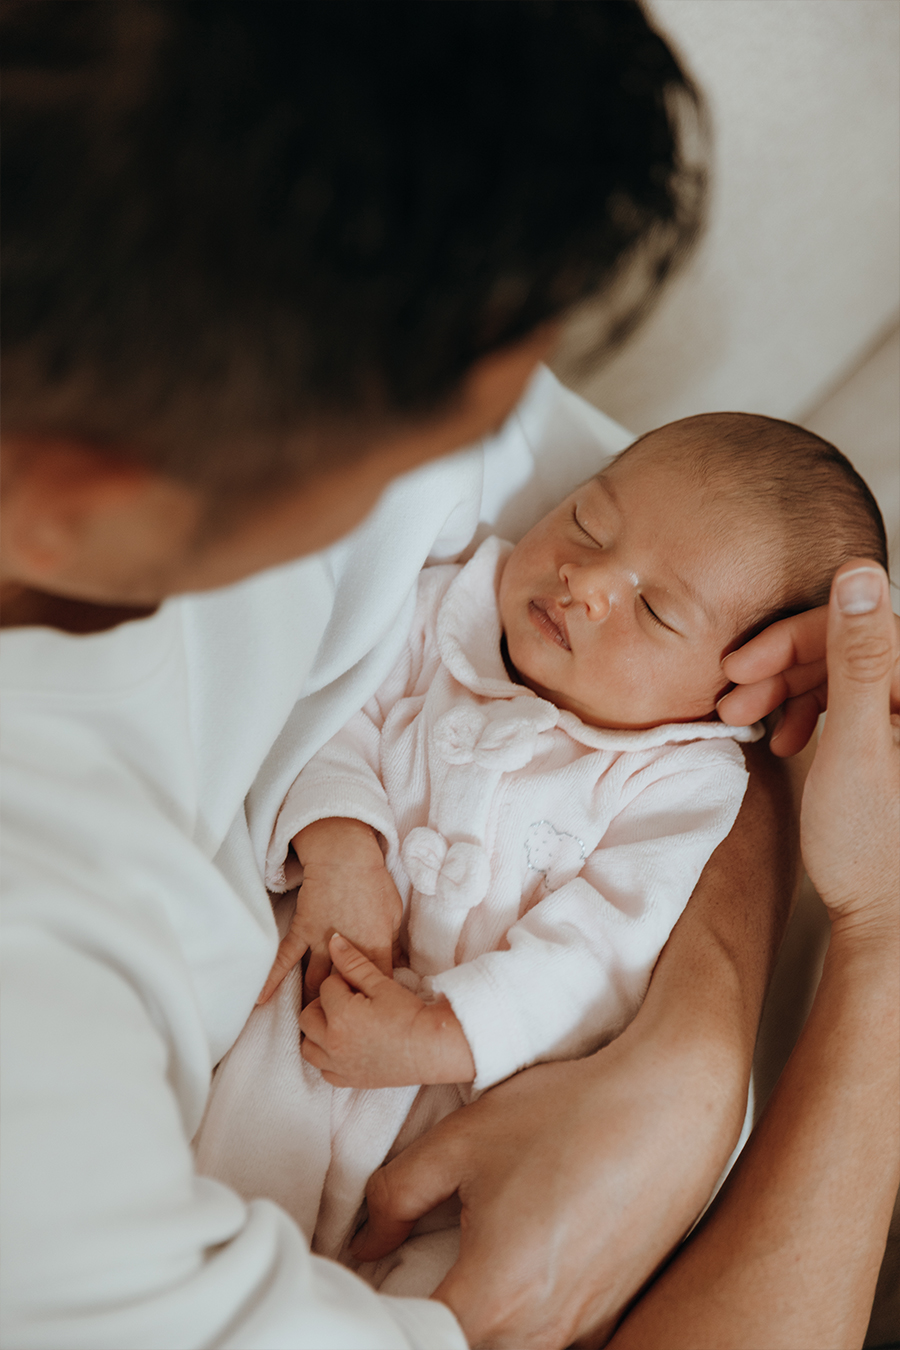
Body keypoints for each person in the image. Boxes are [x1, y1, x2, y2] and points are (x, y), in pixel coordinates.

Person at [0, 4, 896, 1349]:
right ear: (89, 497)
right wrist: (875, 949)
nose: (539, 537)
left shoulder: (254, 286)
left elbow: (713, 611)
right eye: (467, 411)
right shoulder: (50, 1074)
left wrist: (696, 1045)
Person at [194, 411, 888, 1303]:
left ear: (737, 693)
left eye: (654, 609)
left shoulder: (682, 787)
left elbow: (605, 948)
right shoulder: (447, 610)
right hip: (308, 1025)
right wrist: (341, 848)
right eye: (587, 521)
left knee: (420, 1300)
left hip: (460, 1129)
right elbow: (336, 712)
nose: (587, 578)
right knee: (213, 1193)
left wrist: (447, 1033)